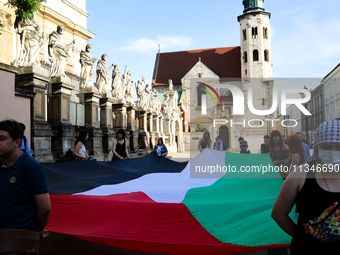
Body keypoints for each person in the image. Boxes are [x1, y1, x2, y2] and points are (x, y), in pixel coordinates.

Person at [272, 120, 340, 254]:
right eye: (326, 147)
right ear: (317, 147)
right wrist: (303, 236)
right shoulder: (300, 175)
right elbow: (278, 214)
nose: (333, 152)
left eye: (339, 147)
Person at [0, 120, 51, 239]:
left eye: (2, 138)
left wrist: (37, 228)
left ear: (17, 142)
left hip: (19, 237)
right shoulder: (2, 164)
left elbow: (45, 207)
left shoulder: (31, 167)